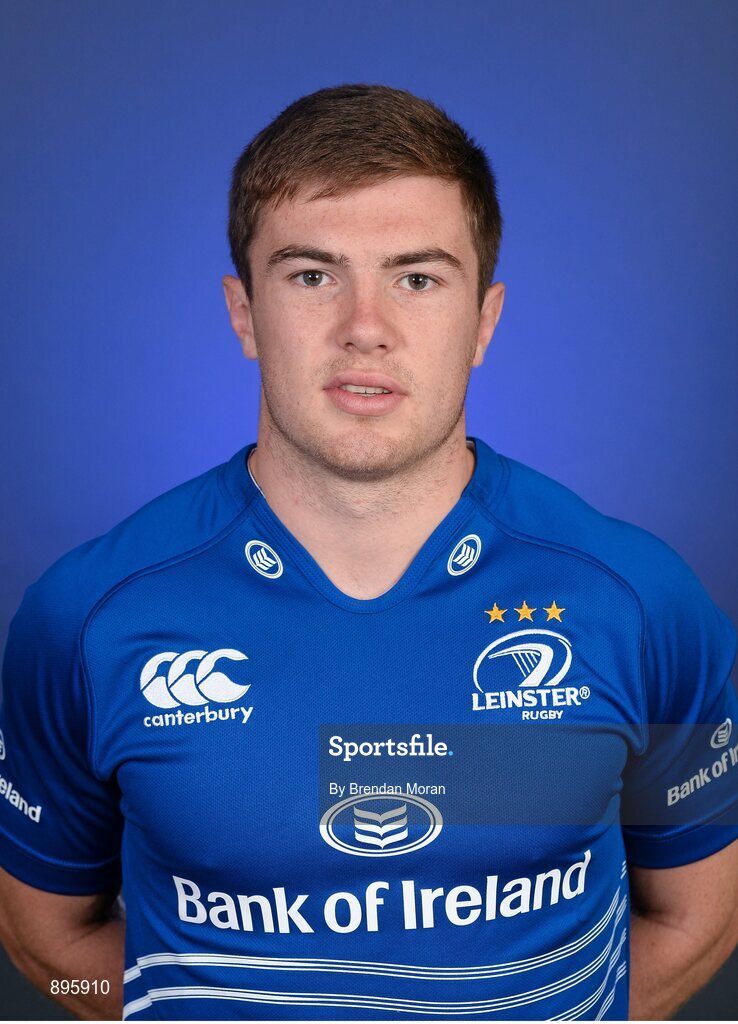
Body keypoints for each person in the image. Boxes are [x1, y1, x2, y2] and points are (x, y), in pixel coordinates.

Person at [0, 83, 737, 1023]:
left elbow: (699, 917)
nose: (365, 327)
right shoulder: (86, 617)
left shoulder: (639, 601)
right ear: (242, 312)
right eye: (311, 275)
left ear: (485, 320)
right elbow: (48, 943)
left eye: (417, 278)